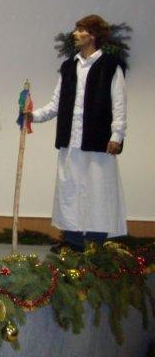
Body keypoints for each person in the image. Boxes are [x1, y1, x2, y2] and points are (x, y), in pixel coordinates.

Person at [28, 15, 126, 252]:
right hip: (70, 141)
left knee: (98, 190)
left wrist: (117, 135)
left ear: (93, 35)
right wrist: (33, 116)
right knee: (69, 190)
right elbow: (56, 104)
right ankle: (72, 241)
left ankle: (94, 242)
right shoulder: (68, 67)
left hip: (98, 141)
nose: (75, 34)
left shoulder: (110, 66)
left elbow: (119, 104)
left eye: (81, 30)